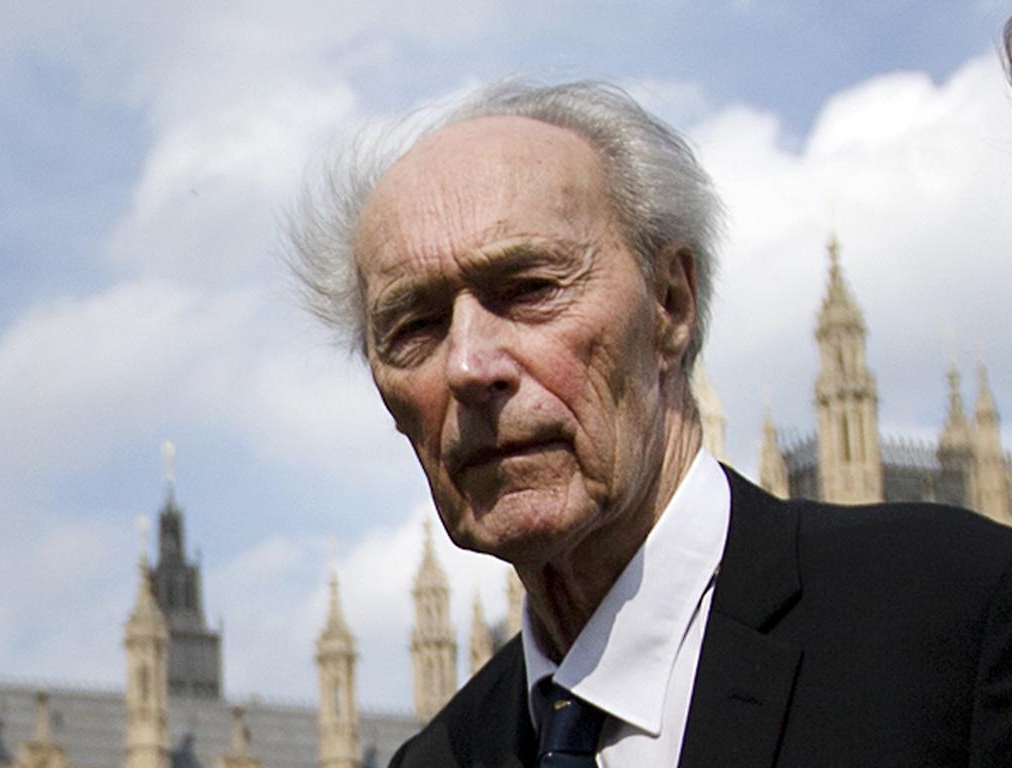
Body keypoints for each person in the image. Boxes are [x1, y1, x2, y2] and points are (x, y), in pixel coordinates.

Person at [289, 81, 1012, 767]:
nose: (470, 367)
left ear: (670, 303)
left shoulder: (960, 613)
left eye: (531, 289)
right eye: (415, 326)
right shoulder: (438, 757)